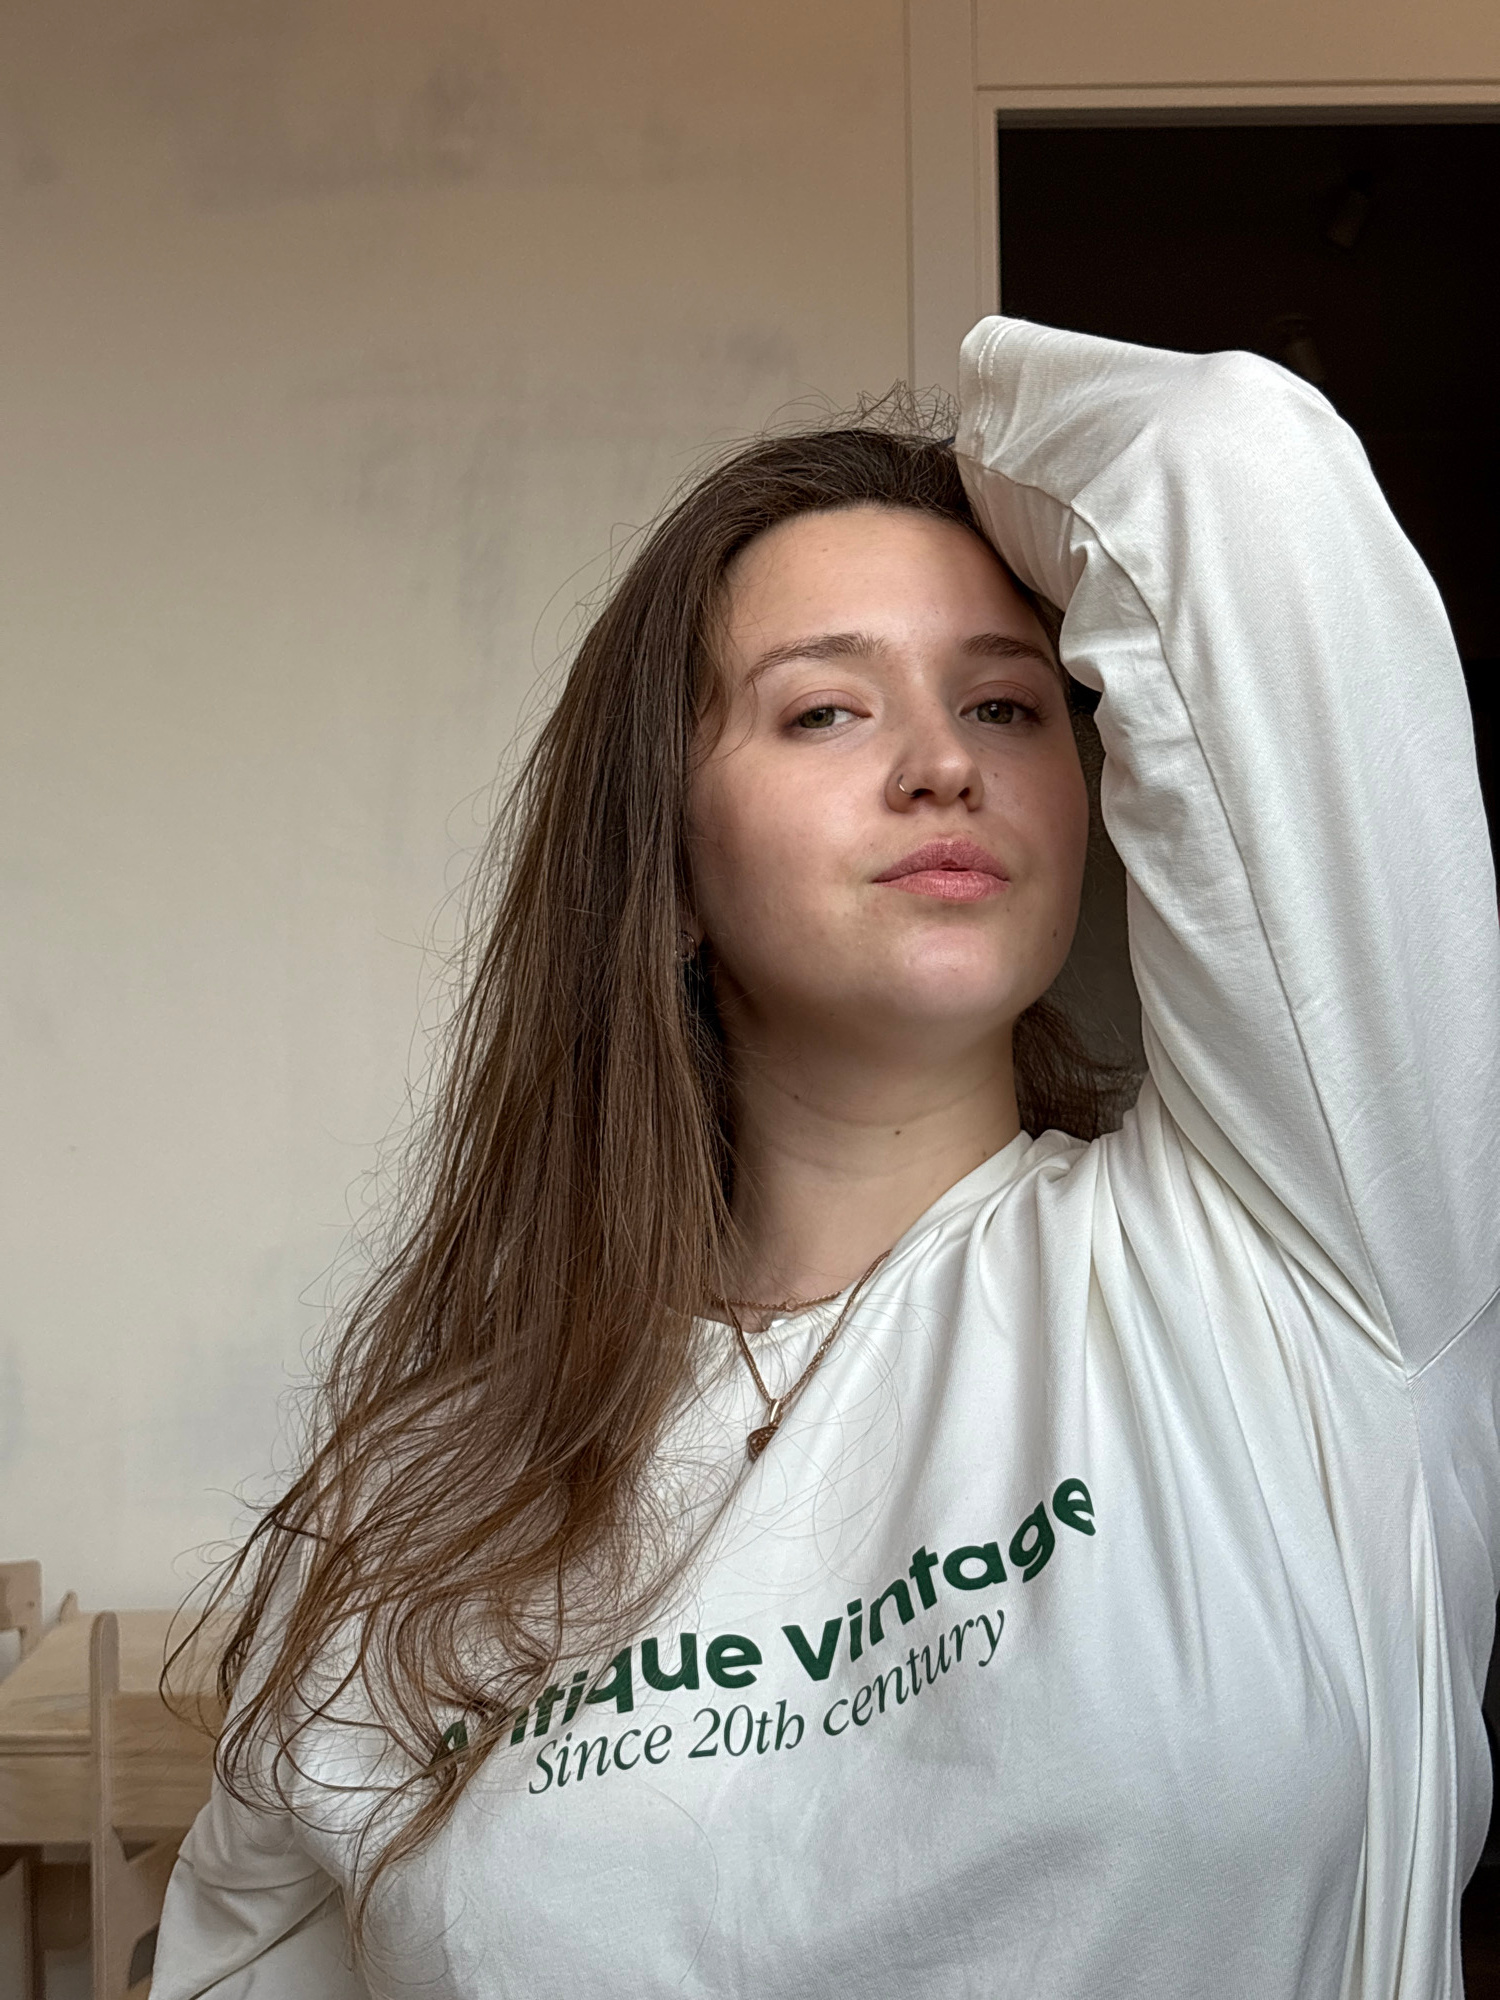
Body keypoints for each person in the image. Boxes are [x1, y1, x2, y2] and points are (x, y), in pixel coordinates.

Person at [151, 316, 1500, 2000]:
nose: (943, 765)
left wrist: (949, 444)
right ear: (666, 860)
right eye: (824, 711)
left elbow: (1231, 463)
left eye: (1004, 702)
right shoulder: (424, 1495)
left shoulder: (1300, 1270)